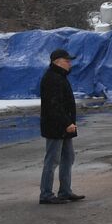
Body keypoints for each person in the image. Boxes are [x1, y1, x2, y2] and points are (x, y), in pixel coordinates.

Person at [39, 48, 84, 205]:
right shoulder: (52, 78)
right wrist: (67, 123)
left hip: (64, 127)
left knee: (68, 158)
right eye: (67, 60)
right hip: (56, 127)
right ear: (57, 62)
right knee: (52, 160)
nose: (70, 63)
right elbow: (54, 106)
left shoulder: (60, 76)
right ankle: (46, 194)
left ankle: (65, 191)